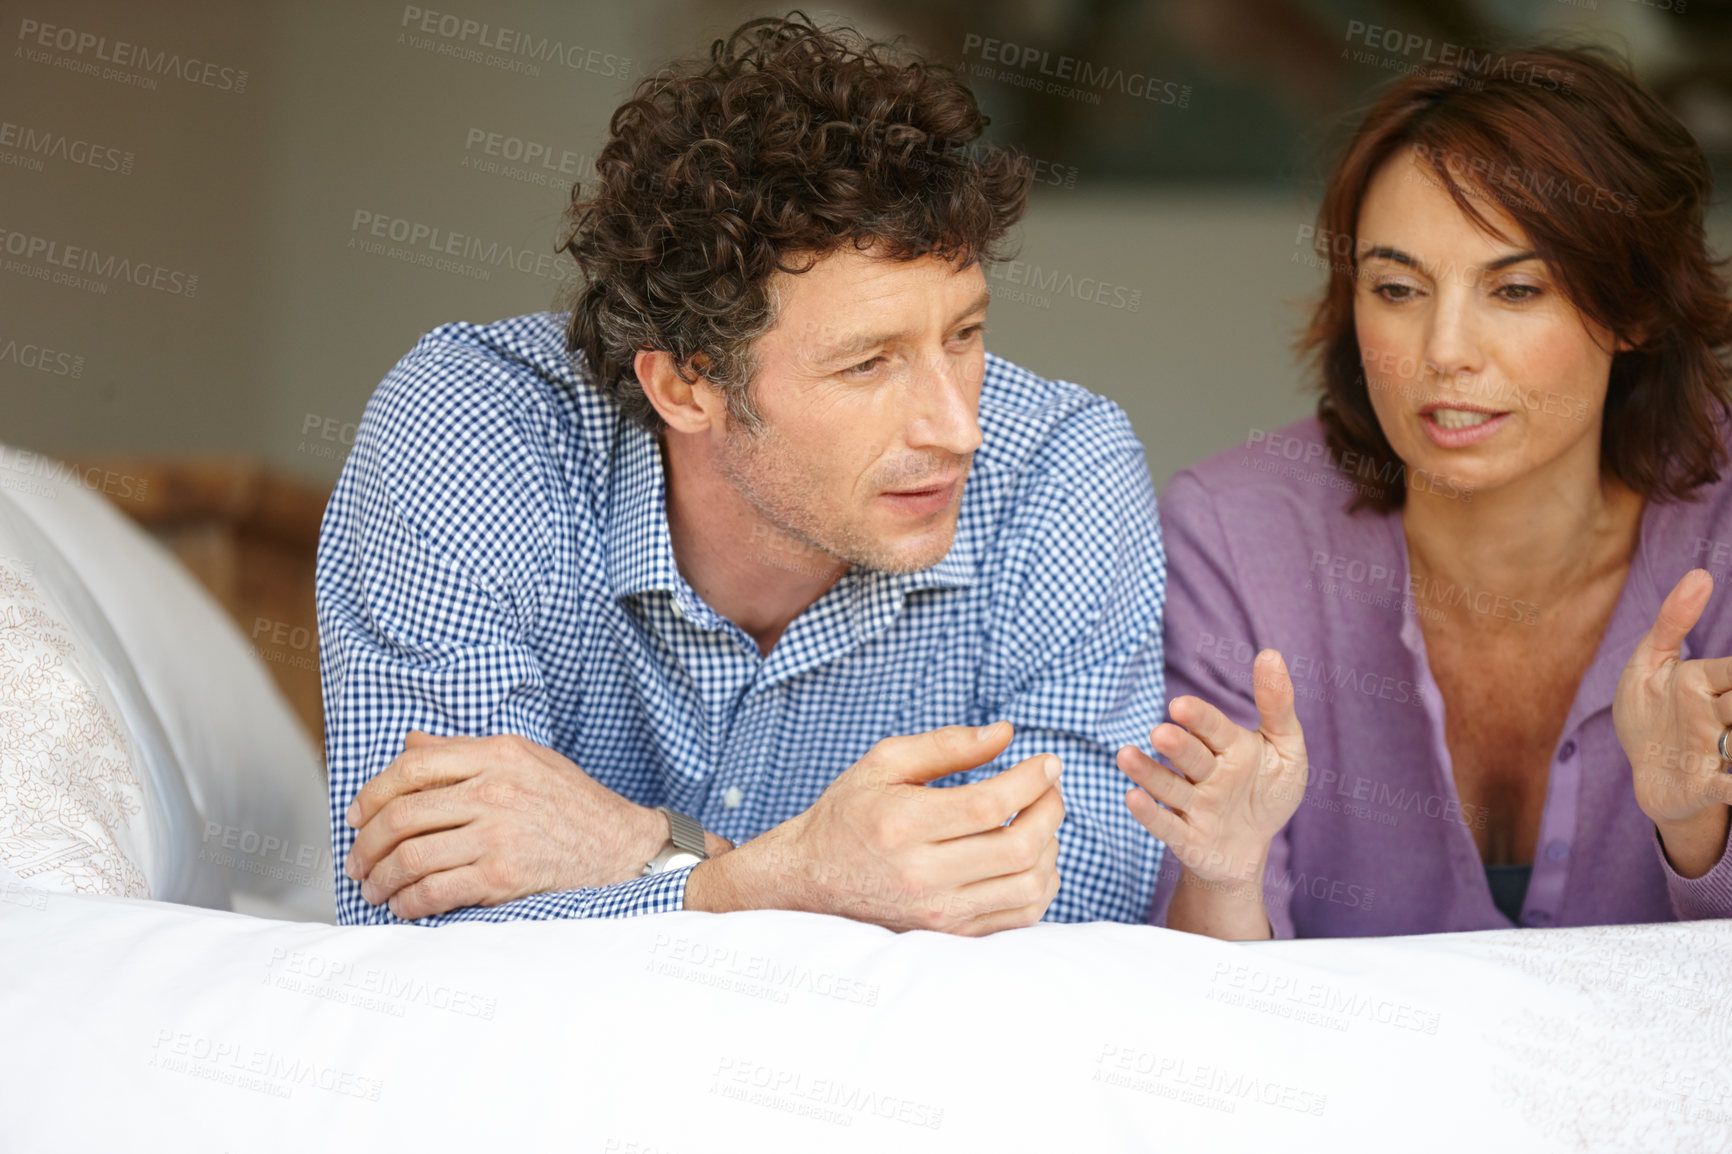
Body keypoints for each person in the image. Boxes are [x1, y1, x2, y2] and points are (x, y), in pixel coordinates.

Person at [318, 15, 1168, 931]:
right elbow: (413, 922)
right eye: (867, 364)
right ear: (686, 384)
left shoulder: (1060, 465)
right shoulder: (472, 430)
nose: (960, 427)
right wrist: (767, 878)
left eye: (963, 336)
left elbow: (1078, 915)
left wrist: (642, 853)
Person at [1118, 44, 1732, 939]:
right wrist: (1223, 874)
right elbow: (1215, 1017)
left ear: (1636, 306)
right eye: (1398, 288)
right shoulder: (1239, 534)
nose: (1445, 350)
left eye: (1515, 289)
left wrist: (1695, 830)